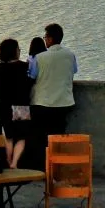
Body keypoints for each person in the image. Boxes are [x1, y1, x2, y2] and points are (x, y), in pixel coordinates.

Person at [31, 23, 78, 151]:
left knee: (42, 136)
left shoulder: (39, 58)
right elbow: (74, 70)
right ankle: (58, 161)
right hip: (64, 102)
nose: (45, 39)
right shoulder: (70, 55)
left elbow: (32, 76)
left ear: (50, 39)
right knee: (59, 134)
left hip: (43, 103)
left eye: (45, 37)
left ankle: (44, 164)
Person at [0, 37, 32, 170]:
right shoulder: (25, 66)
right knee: (22, 136)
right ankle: (15, 163)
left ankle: (8, 160)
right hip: (22, 105)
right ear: (15, 51)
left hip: (5, 106)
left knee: (9, 136)